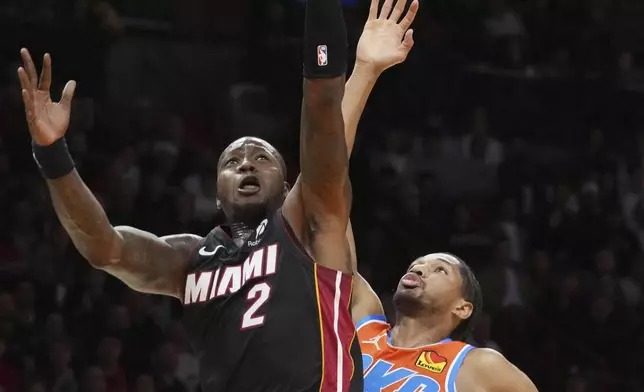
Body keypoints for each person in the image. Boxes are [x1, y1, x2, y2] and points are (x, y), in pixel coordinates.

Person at [16, 0, 417, 390]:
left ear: (287, 185)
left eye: (262, 158)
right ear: (217, 196)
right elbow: (106, 248)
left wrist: (352, 57)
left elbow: (323, 114)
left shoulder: (309, 231)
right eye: (232, 160)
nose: (246, 164)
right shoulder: (193, 258)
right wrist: (52, 153)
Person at [348, 251, 539, 391]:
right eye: (415, 266)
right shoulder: (364, 328)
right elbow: (333, 225)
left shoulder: (476, 365)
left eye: (440, 270)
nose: (419, 270)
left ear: (462, 308)